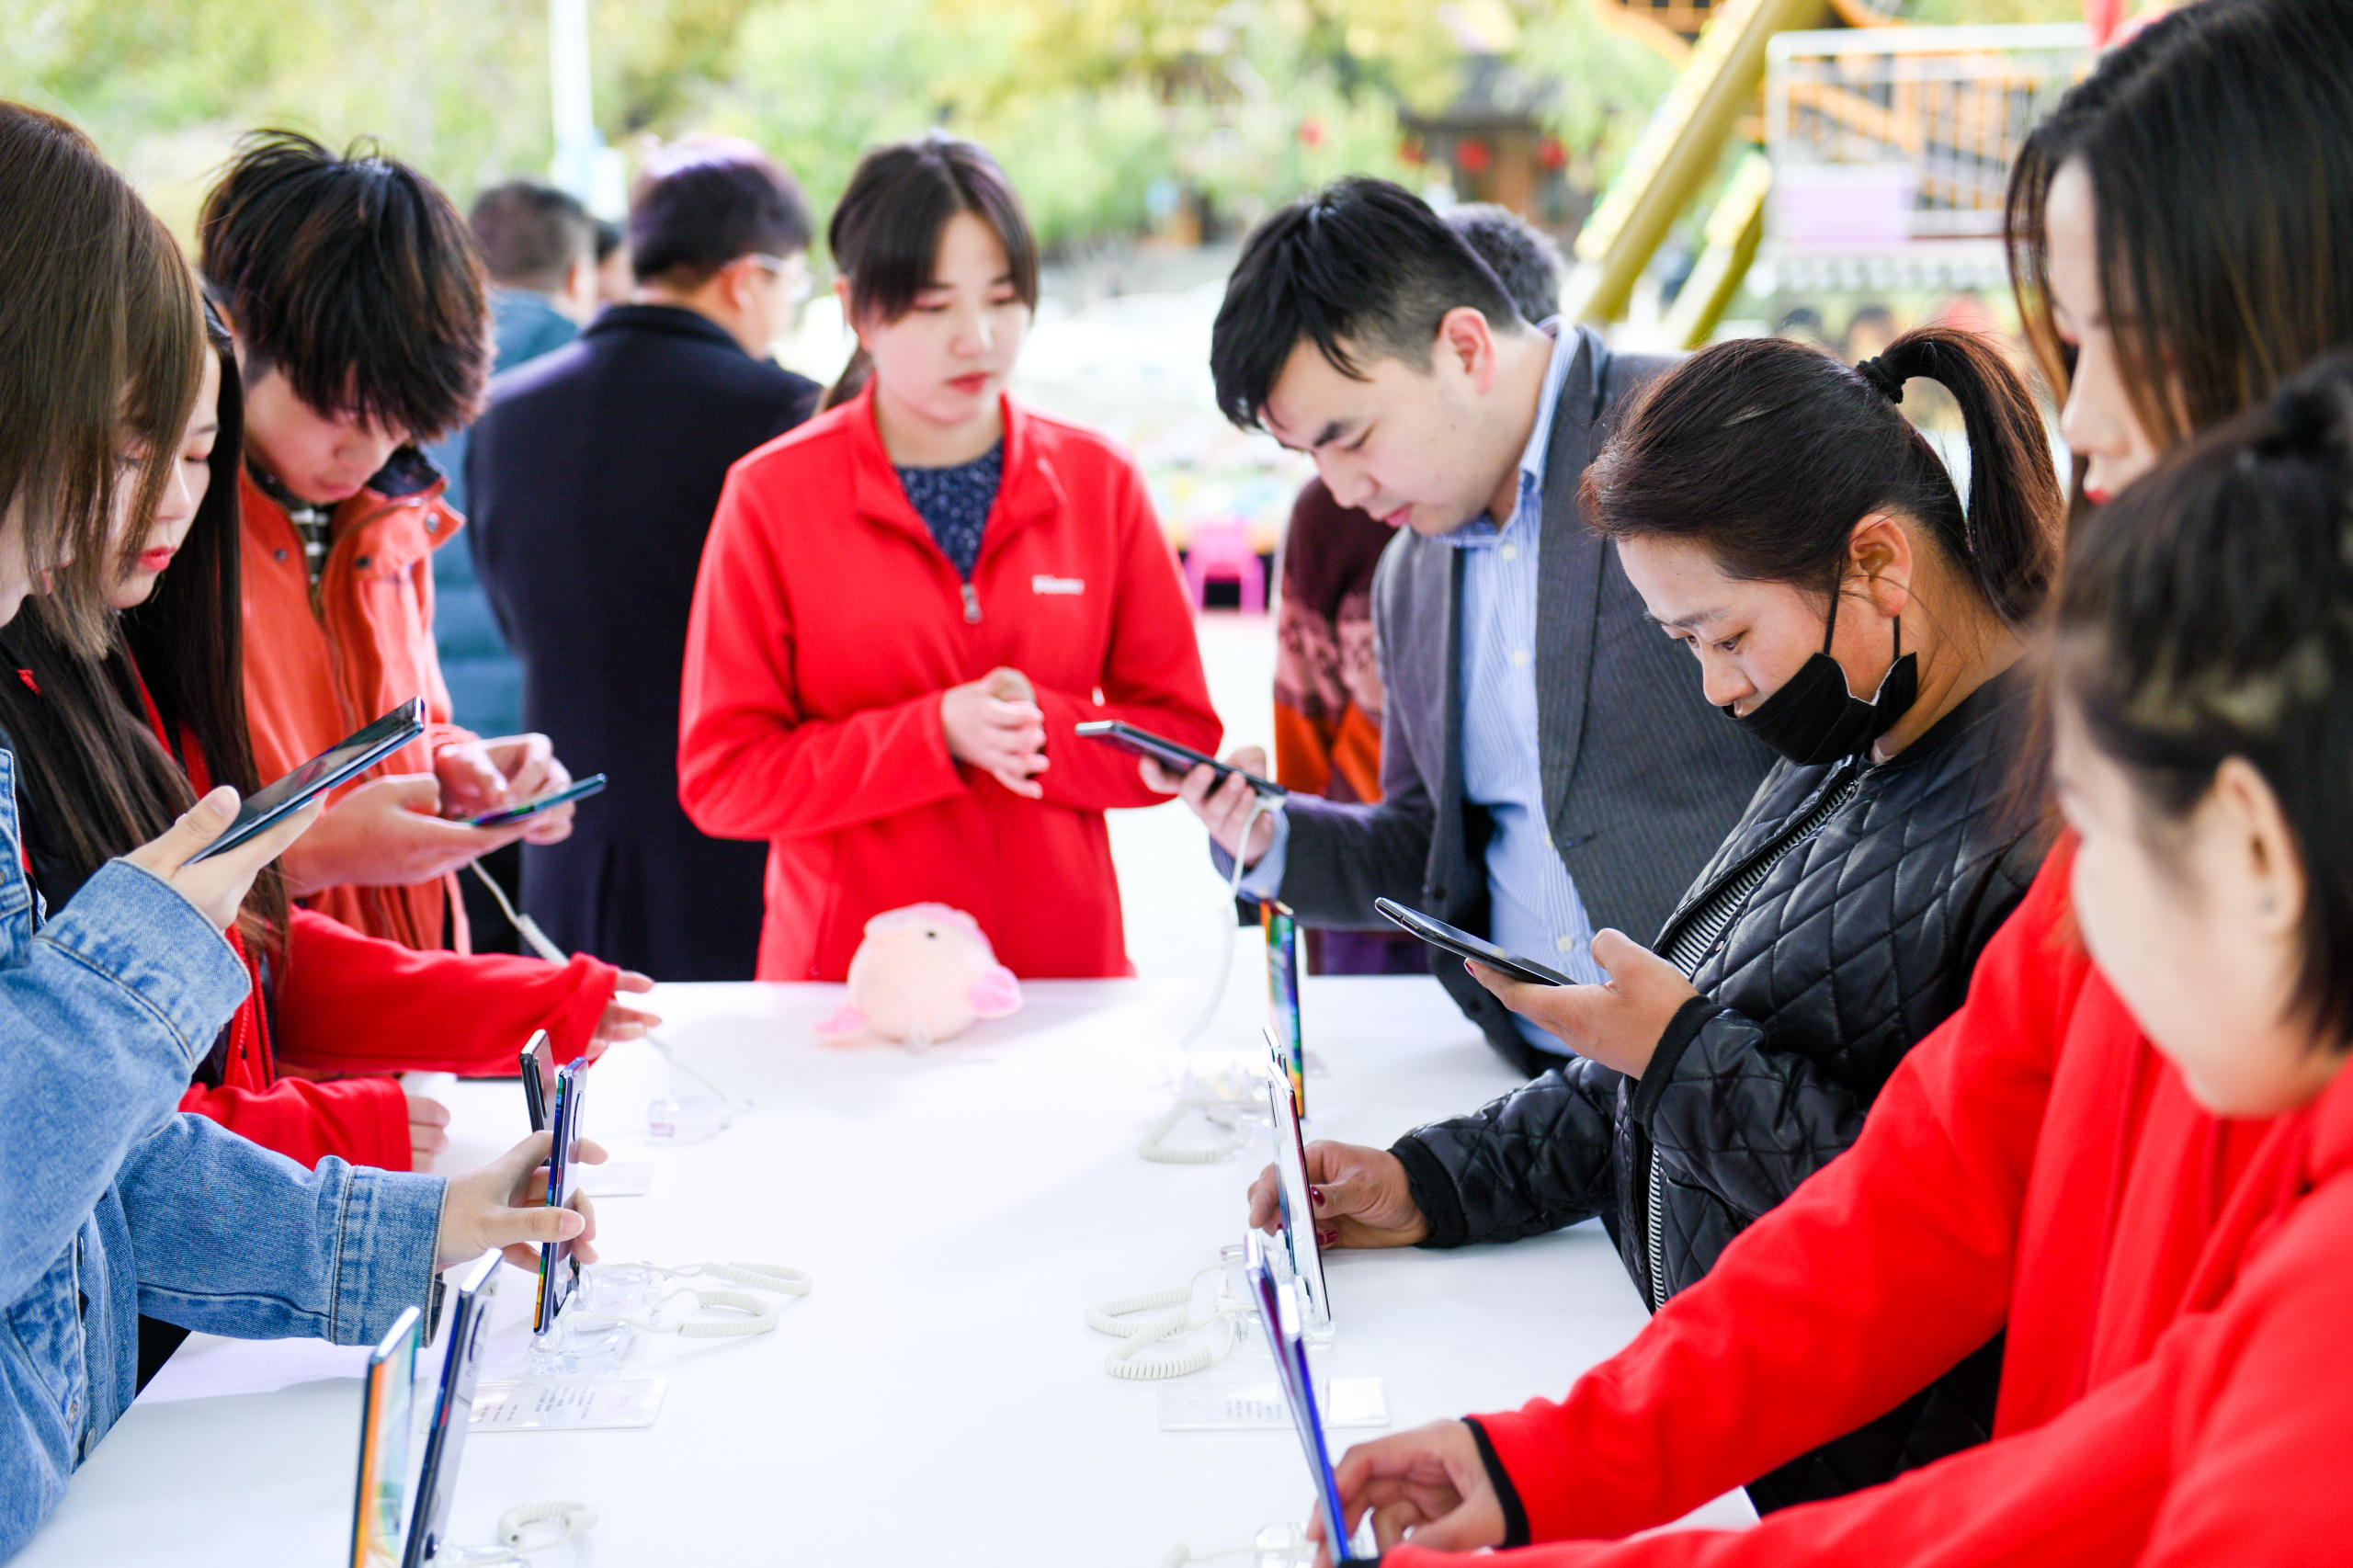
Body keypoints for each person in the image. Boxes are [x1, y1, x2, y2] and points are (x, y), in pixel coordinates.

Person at [1303, 3, 2353, 1561]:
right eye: (2070, 346)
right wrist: (1548, 1467)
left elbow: (2163, 1447)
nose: (2086, 420)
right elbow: (1925, 1201)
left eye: (2122, 336)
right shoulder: (1994, 764)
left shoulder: (2091, 790)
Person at [1256, 325, 2060, 1510]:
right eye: (1686, 645)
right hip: (1735, 1431)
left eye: (1727, 636)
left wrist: (1680, 1050)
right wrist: (1427, 1180)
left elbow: (1931, 1224)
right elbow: (1667, 1058)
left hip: (1876, 1487)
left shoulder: (2043, 826)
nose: (1719, 689)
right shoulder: (1853, 738)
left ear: (1878, 561)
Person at [0, 100, 602, 1559]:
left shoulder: (374, 537)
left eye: (192, 453)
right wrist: (219, 921)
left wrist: (416, 1218)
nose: (163, 497)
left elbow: (104, 1168)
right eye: (139, 443)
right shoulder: (133, 618)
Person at [0, 302, 652, 1176]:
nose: (365, 456)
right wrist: (329, 1130)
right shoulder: (149, 601)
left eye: (196, 456)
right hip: (266, 1146)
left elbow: (233, 952)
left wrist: (452, 761)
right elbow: (61, 1117)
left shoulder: (110, 633)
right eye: (132, 455)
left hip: (314, 1096)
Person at [1165, 177, 1773, 1074]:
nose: (1342, 489)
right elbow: (1427, 849)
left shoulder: (1706, 426)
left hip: (1755, 1072)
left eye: (1351, 437)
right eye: (1309, 455)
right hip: (1535, 1086)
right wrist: (1269, 836)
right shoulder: (1410, 573)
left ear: (1464, 347)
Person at [678, 132, 1219, 981]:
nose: (978, 339)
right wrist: (932, 734)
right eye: (933, 307)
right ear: (857, 310)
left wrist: (1043, 729)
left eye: (1003, 299)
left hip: (1060, 979)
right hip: (850, 988)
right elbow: (726, 781)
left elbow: (1182, 740)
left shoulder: (1100, 480)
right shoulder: (771, 495)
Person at [198, 131, 585, 952]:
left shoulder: (392, 512)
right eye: (341, 416)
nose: (368, 456)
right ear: (233, 333)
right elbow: (124, 856)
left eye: (402, 425)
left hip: (409, 979)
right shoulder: (169, 540)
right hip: (256, 999)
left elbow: (406, 728)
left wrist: (459, 764)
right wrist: (316, 855)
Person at [471, 139, 824, 980]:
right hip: (734, 858)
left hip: (565, 854)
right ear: (747, 278)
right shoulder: (781, 415)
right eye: (793, 285)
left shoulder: (504, 414)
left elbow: (510, 617)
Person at [1275, 205, 1562, 978]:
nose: (1350, 486)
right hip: (1369, 905)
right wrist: (1277, 843)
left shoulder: (1625, 485)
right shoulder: (1344, 522)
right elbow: (1305, 721)